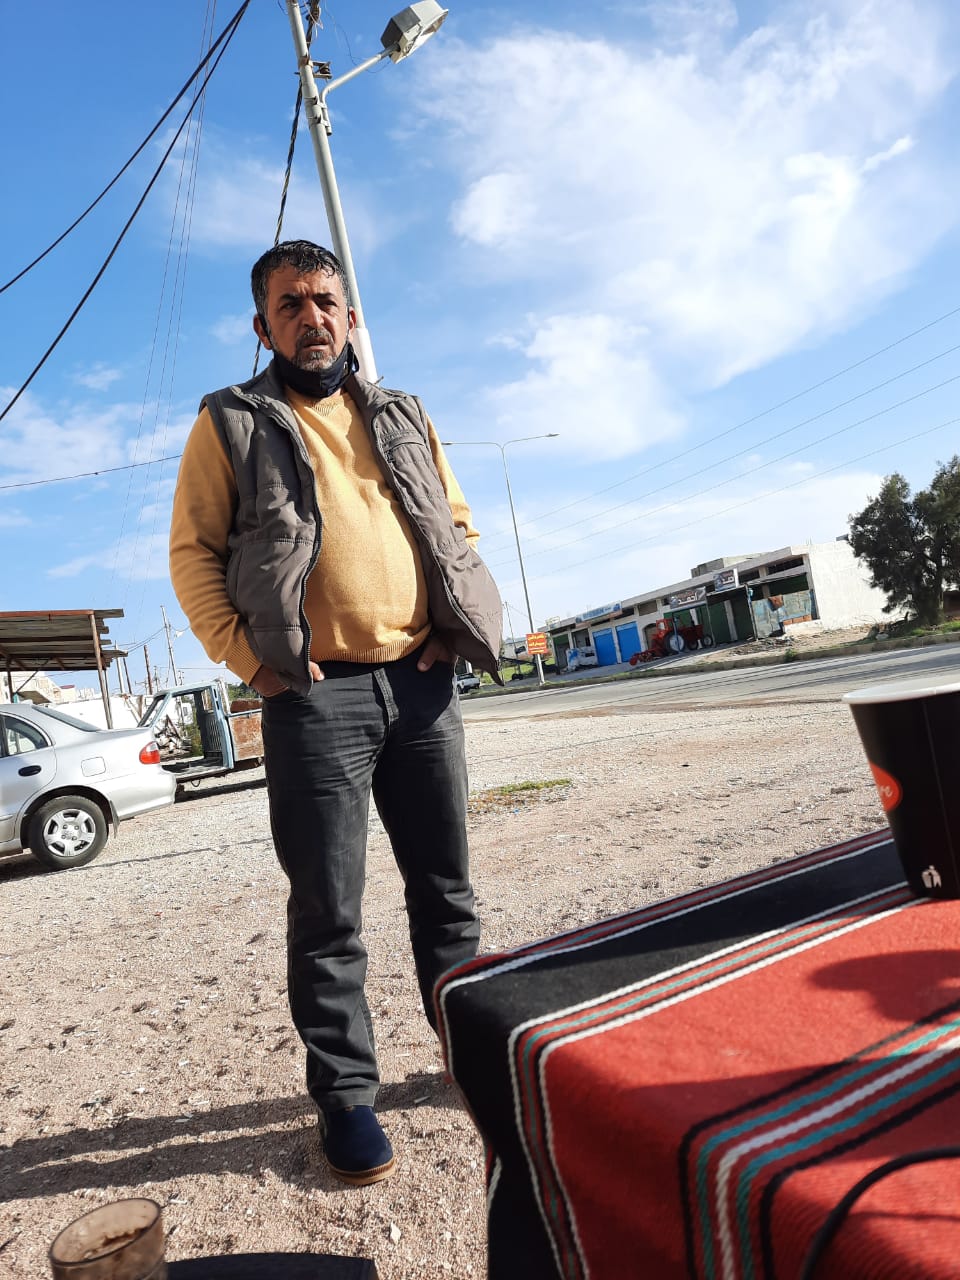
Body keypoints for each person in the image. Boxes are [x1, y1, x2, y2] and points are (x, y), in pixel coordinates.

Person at [169, 240, 502, 1186]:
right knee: (327, 910)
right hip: (315, 699)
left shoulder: (403, 412)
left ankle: (470, 1055)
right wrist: (250, 661)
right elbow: (193, 555)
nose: (311, 317)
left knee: (447, 892)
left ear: (351, 315)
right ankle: (348, 1099)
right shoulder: (231, 422)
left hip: (422, 682)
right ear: (262, 326)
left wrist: (454, 624)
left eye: (325, 300)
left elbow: (456, 523)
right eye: (290, 304)